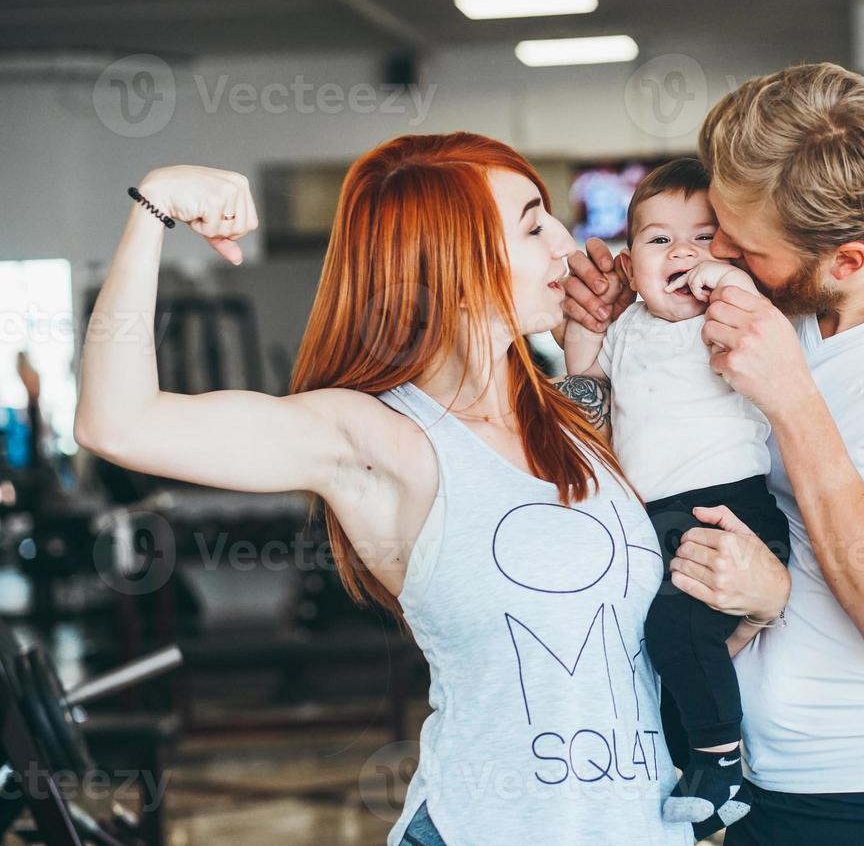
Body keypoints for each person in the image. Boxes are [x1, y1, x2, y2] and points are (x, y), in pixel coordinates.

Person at [73, 133, 790, 846]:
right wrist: (154, 207)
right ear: (456, 259)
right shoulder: (382, 439)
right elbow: (120, 423)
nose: (567, 242)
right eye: (534, 223)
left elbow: (628, 649)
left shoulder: (577, 418)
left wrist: (762, 601)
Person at [561, 64, 864, 845]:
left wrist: (793, 398)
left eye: (740, 243)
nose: (712, 251)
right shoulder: (758, 297)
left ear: (846, 260)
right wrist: (605, 334)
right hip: (753, 788)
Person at [561, 158, 790, 838]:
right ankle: (691, 777)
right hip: (653, 519)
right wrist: (588, 326)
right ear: (631, 264)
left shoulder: (725, 316)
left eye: (704, 236)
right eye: (660, 240)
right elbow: (585, 385)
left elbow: (746, 297)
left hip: (731, 508)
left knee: (680, 629)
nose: (683, 251)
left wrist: (724, 275)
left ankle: (724, 763)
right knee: (658, 649)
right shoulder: (627, 330)